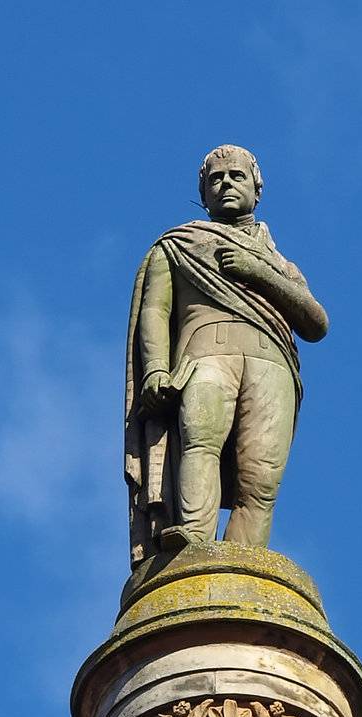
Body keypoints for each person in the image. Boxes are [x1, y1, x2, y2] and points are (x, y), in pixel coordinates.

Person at [124, 145, 329, 566]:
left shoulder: (279, 264)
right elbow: (155, 311)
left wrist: (260, 274)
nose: (226, 184)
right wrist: (156, 368)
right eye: (215, 179)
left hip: (272, 362)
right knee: (200, 441)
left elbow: (316, 323)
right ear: (203, 193)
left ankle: (244, 564)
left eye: (236, 176)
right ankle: (193, 540)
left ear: (257, 187)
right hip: (204, 354)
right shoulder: (178, 246)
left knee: (261, 478)